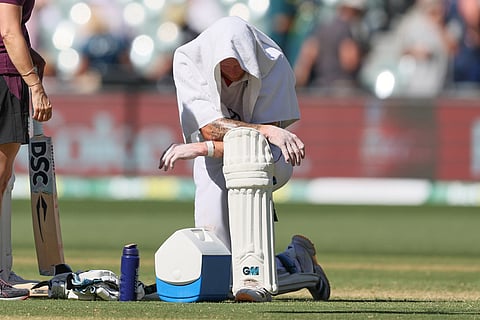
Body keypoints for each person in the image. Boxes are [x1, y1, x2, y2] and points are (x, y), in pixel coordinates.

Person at [158, 16, 330, 302]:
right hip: (215, 151)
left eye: (239, 68)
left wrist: (200, 149)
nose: (232, 75)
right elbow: (209, 129)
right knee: (220, 272)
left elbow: (256, 149)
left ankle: (270, 273)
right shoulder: (189, 58)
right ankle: (297, 262)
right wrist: (259, 130)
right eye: (225, 68)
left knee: (245, 277)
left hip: (269, 157)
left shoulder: (273, 64)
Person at [0, 0, 53, 300]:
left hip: (9, 73)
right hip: (4, 77)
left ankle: (3, 271)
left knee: (4, 181)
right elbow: (8, 30)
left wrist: (33, 59)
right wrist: (35, 84)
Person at [294, 0, 369, 91]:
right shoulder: (347, 30)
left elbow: (307, 58)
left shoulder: (322, 28)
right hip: (342, 89)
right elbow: (349, 61)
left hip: (321, 86)